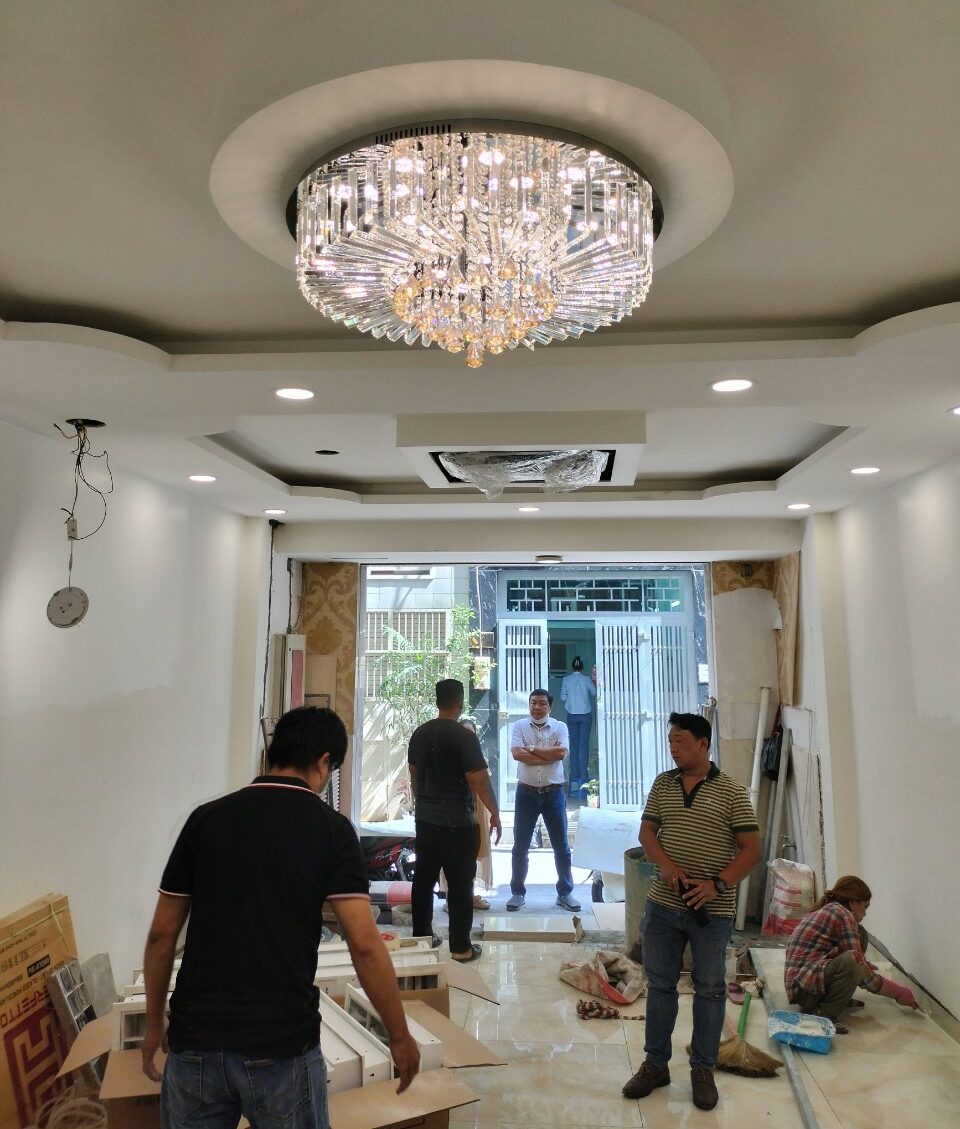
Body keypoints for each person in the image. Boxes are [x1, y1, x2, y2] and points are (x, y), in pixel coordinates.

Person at [140, 706, 420, 1129]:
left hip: (195, 1040)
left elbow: (162, 934)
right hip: (281, 1045)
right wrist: (398, 1036)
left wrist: (152, 1024)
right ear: (323, 763)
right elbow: (364, 944)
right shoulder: (331, 830)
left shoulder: (205, 819)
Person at [622, 711, 761, 1112]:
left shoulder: (732, 792)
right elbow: (647, 833)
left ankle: (702, 1069)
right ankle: (655, 1065)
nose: (673, 748)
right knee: (660, 985)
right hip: (663, 906)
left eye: (680, 741)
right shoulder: (663, 785)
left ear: (703, 744)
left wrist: (717, 883)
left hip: (711, 911)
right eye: (670, 741)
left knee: (710, 988)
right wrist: (666, 866)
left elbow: (751, 849)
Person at [408, 679, 502, 962]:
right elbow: (479, 780)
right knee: (461, 885)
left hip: (425, 822)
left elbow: (414, 775)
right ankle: (461, 948)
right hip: (457, 824)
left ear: (437, 701)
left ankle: (422, 940)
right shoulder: (464, 736)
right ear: (460, 702)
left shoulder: (420, 733)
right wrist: (495, 812)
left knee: (423, 881)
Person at [784, 875, 919, 1031]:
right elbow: (864, 975)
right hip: (804, 991)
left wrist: (863, 966)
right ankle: (824, 1016)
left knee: (860, 935)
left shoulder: (831, 910)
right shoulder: (843, 914)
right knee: (853, 961)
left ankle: (835, 998)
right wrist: (898, 992)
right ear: (853, 902)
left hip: (803, 986)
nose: (865, 913)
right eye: (865, 907)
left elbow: (838, 953)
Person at [507, 689, 581, 913]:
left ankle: (565, 893)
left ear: (550, 707)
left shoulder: (560, 727)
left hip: (553, 794)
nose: (537, 707)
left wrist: (531, 749)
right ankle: (517, 892)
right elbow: (517, 754)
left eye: (541, 703)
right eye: (533, 703)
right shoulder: (519, 726)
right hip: (526, 794)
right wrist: (547, 754)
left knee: (562, 847)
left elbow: (561, 754)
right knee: (520, 846)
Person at [439, 718, 494, 912]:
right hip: (453, 813)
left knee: (471, 856)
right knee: (451, 856)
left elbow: (485, 785)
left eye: (471, 734)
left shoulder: (479, 757)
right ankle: (450, 898)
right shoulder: (446, 758)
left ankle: (468, 896)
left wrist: (494, 813)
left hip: (476, 812)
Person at [560, 656, 596, 795]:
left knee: (573, 747)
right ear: (582, 668)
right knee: (584, 747)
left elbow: (563, 697)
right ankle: (584, 778)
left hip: (572, 715)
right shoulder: (586, 679)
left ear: (572, 667)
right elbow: (594, 693)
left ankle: (574, 777)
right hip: (585, 715)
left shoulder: (566, 680)